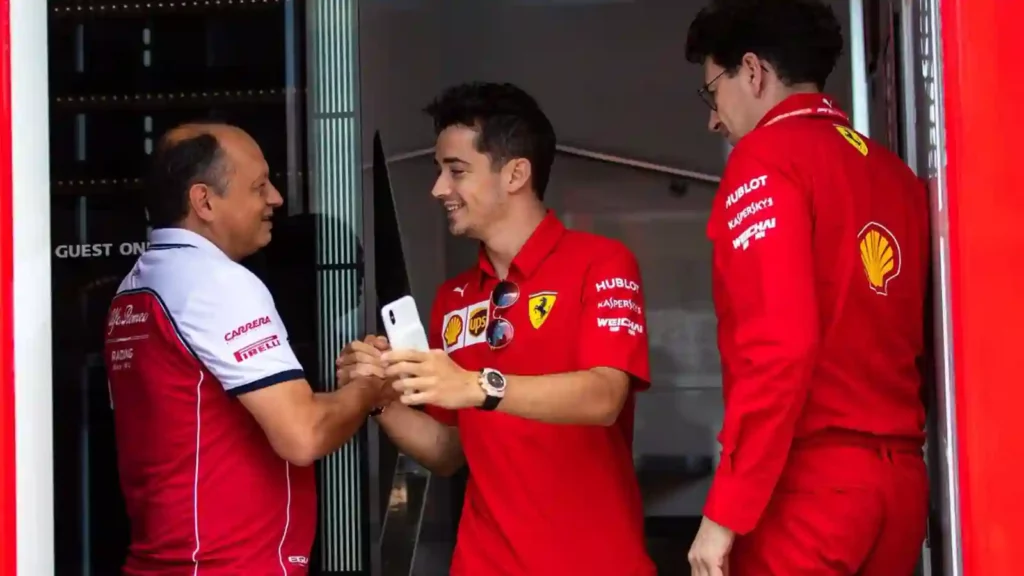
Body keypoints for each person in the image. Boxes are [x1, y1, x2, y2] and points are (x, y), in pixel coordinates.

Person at [337, 82, 656, 575]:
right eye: (439, 172)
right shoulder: (454, 297)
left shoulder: (601, 262)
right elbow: (447, 451)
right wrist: (379, 398)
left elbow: (604, 398)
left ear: (516, 174)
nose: (439, 189)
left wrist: (476, 385)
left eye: (456, 171)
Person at [682, 2, 931, 575]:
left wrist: (723, 514)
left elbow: (779, 348)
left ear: (752, 72)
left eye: (712, 93)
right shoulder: (893, 173)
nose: (713, 120)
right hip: (898, 488)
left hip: (809, 490)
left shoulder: (765, 162)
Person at [103, 122, 383, 575]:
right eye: (259, 186)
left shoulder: (136, 287)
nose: (276, 198)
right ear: (204, 201)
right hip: (228, 563)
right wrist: (370, 387)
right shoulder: (215, 283)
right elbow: (303, 434)